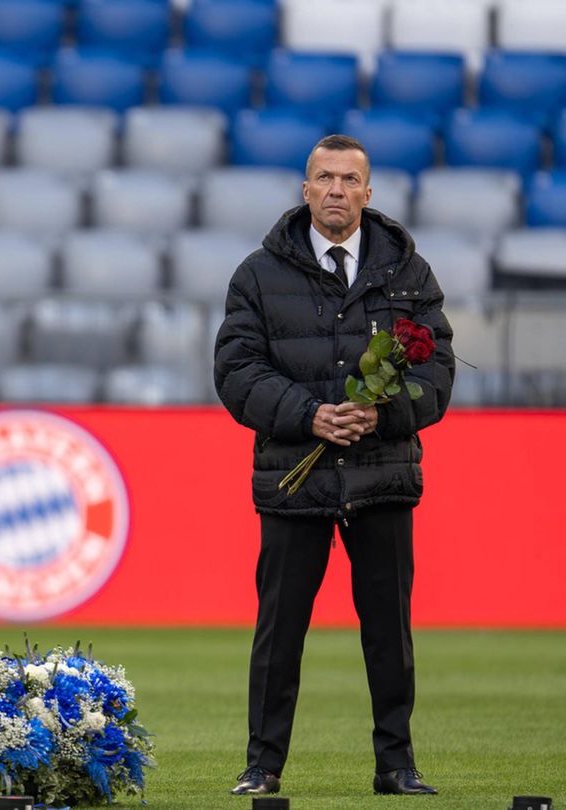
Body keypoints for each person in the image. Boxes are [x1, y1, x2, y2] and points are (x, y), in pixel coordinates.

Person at [214, 134, 454, 797]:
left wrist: (385, 415)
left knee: (388, 633)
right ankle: (262, 767)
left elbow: (438, 372)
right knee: (279, 632)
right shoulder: (258, 274)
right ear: (306, 189)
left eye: (350, 179)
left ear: (369, 193)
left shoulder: (410, 272)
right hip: (294, 477)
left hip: (384, 477)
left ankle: (397, 765)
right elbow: (235, 373)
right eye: (325, 178)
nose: (337, 190)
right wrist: (309, 414)